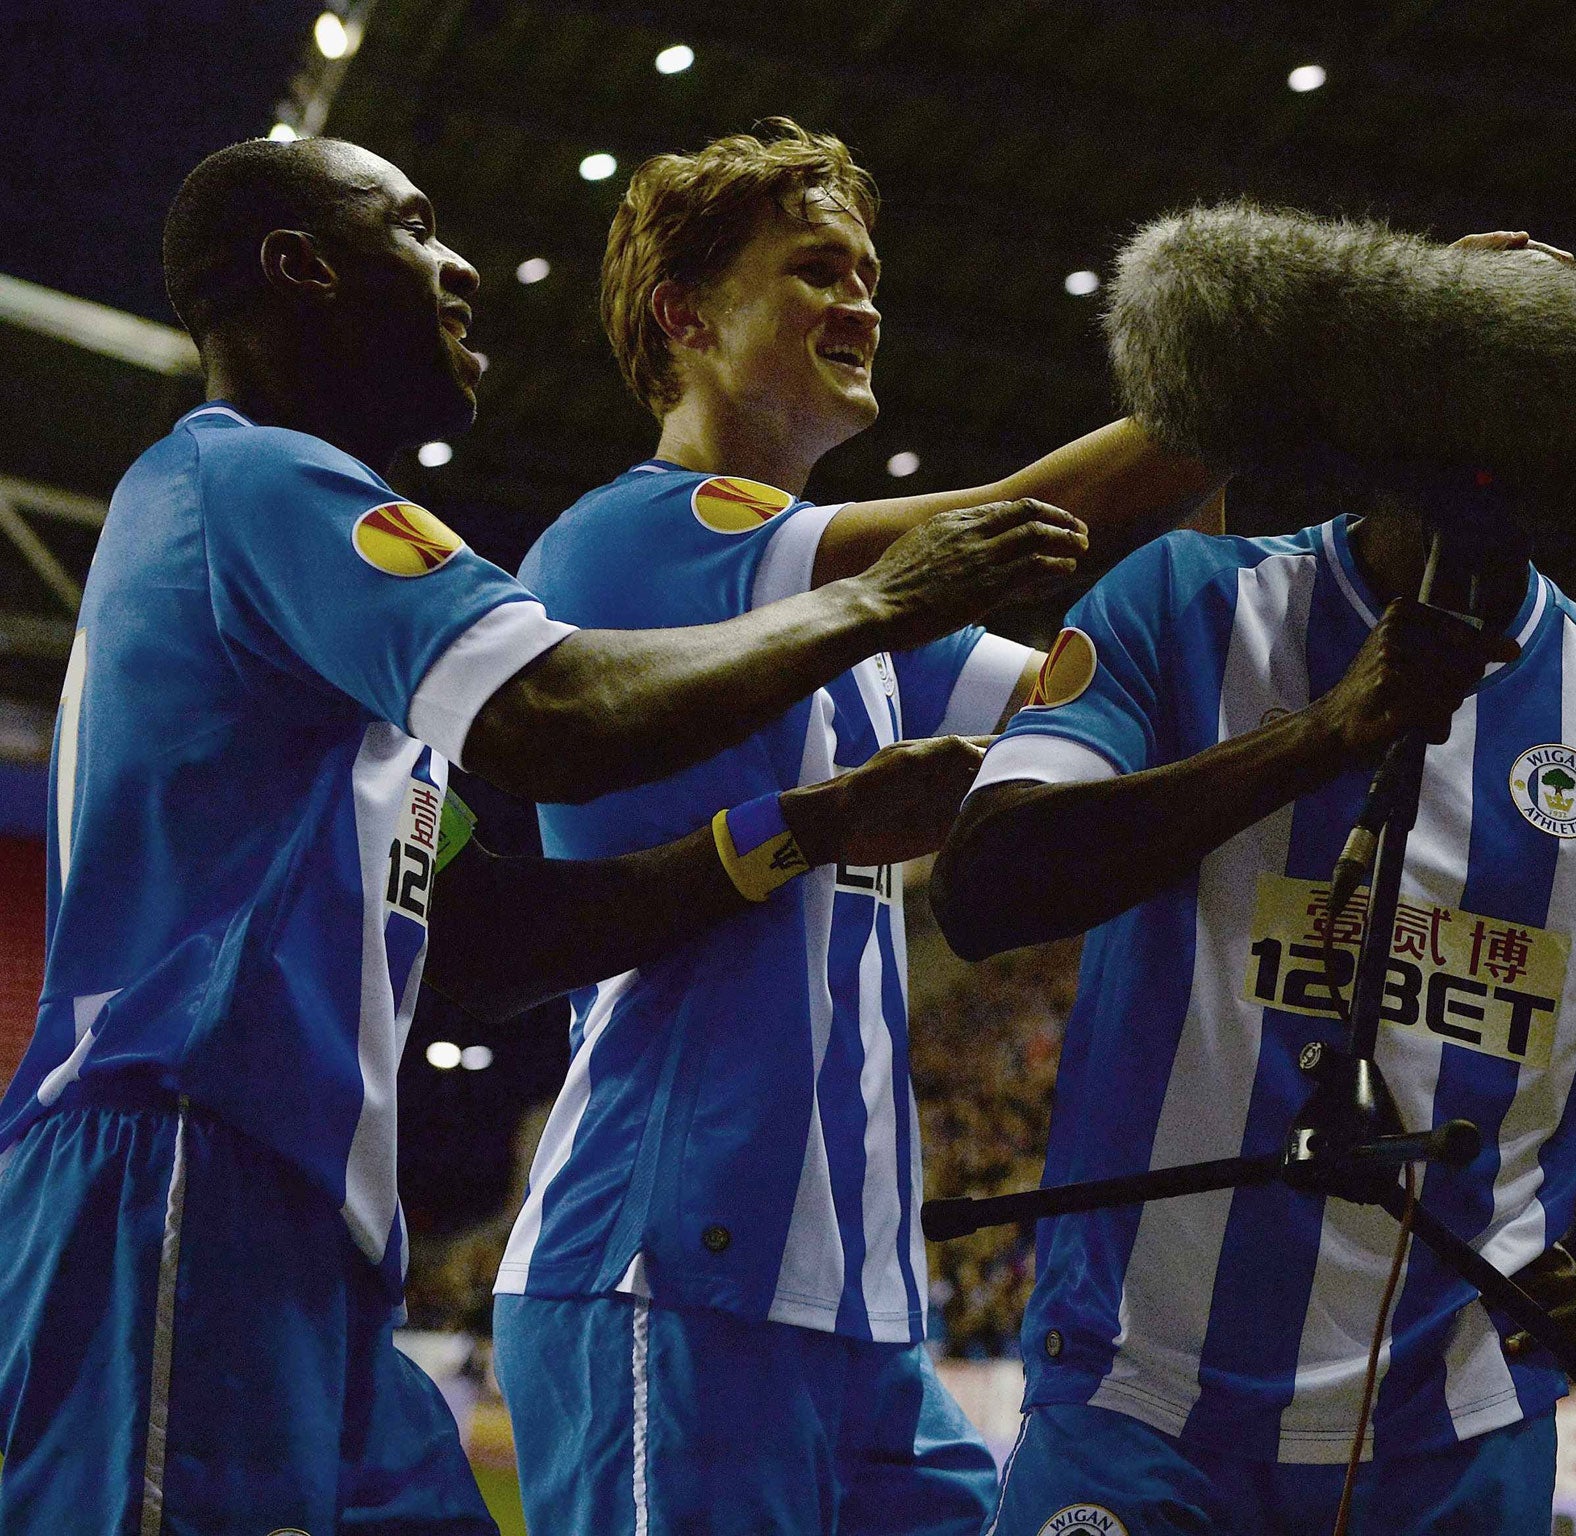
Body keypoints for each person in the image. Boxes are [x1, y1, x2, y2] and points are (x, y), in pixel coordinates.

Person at [0, 135, 1084, 1535]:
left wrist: (802, 827)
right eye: (414, 226)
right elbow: (552, 710)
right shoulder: (254, 478)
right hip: (179, 1176)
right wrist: (882, 602)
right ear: (301, 267)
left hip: (316, 1227)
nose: (460, 268)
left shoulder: (309, 622)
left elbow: (489, 939)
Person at [485, 119, 1551, 1533]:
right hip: (665, 1266)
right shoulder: (633, 533)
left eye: (867, 268)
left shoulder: (877, 637)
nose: (862, 297)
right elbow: (1020, 518)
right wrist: (1322, 342)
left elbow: (1149, 712)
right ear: (684, 317)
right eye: (814, 269)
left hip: (858, 1309)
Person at [933, 491, 1576, 1534]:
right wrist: (1321, 735)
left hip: (1453, 1442)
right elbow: (981, 889)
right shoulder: (1185, 596)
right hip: (1137, 1395)